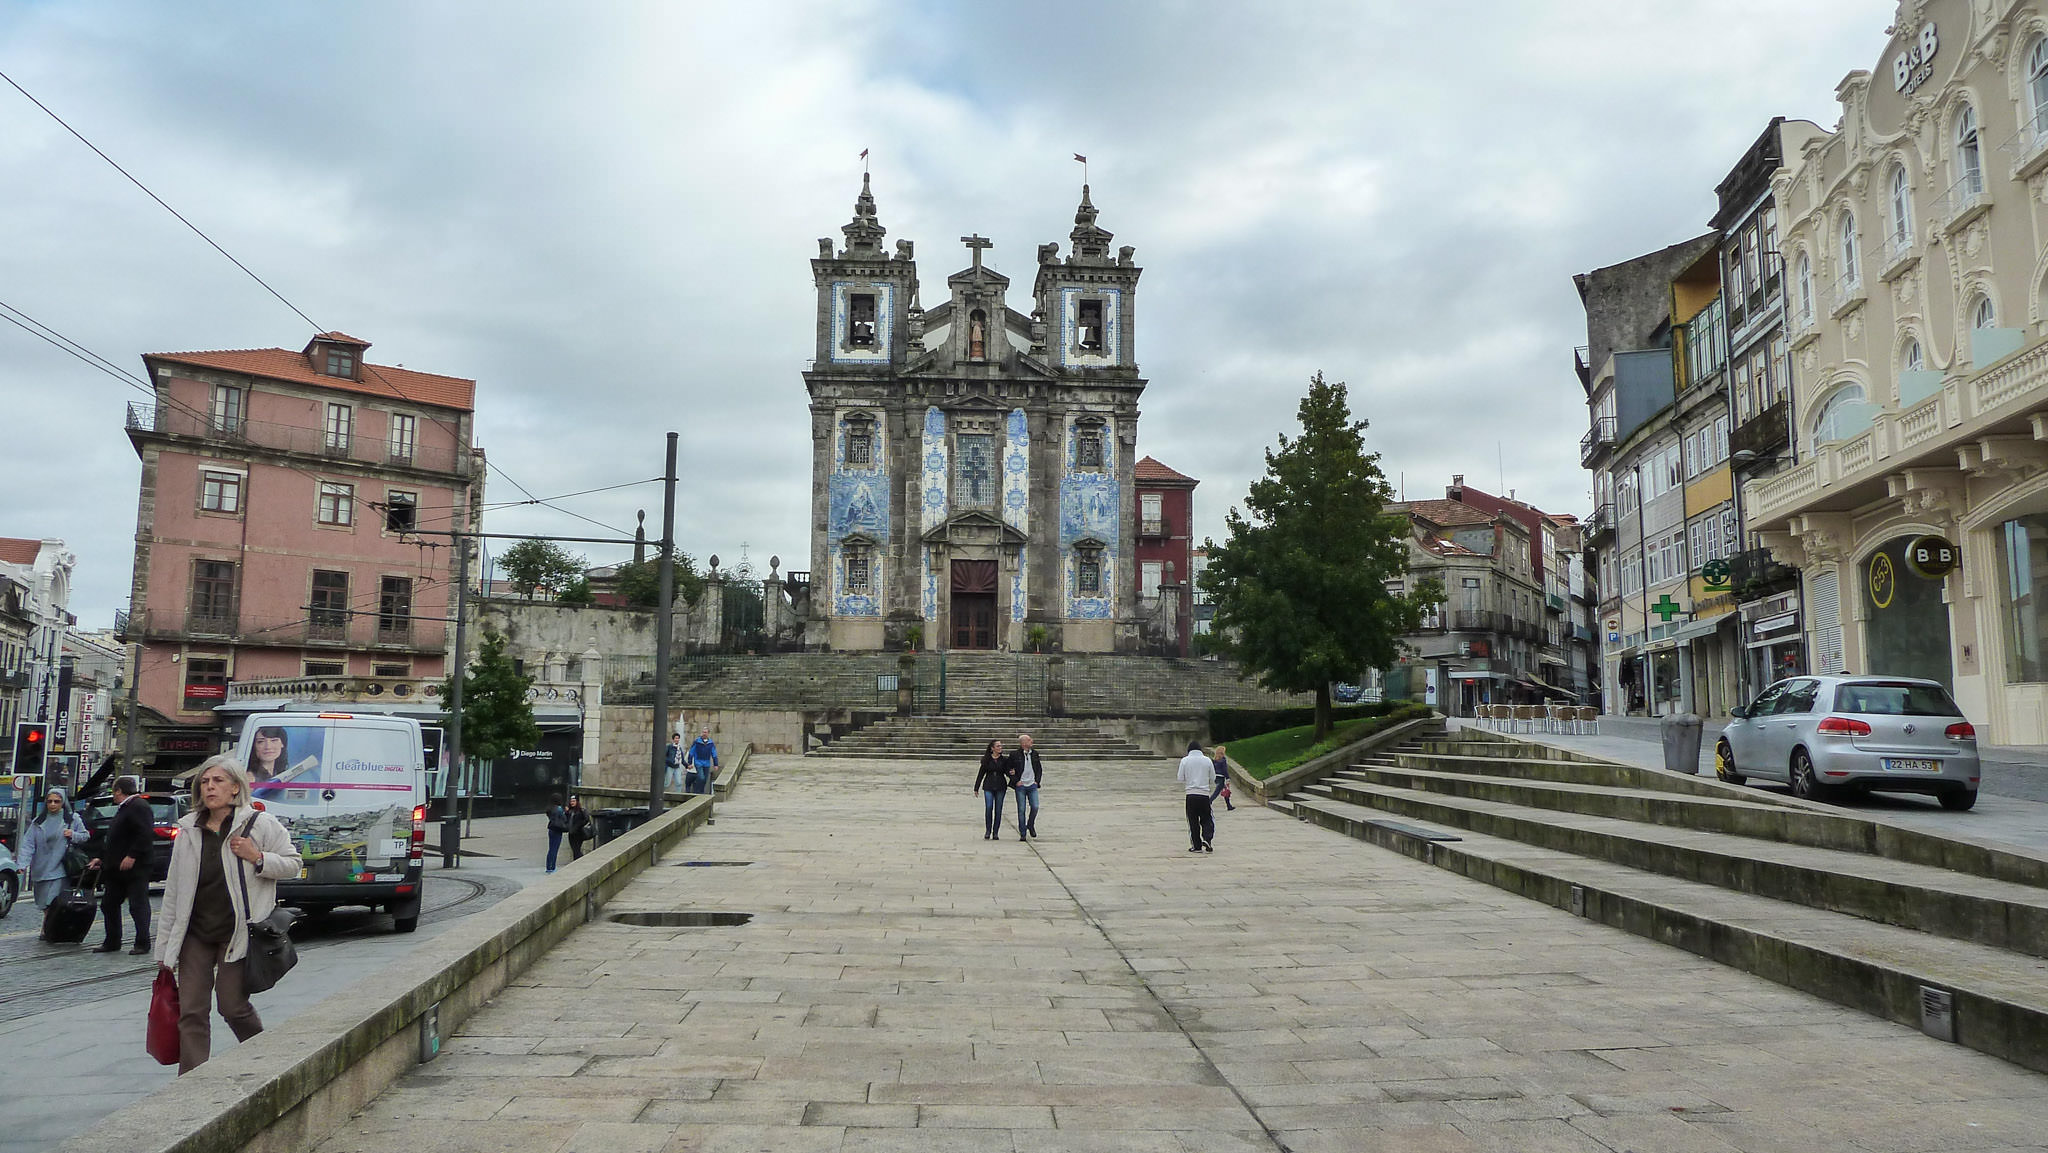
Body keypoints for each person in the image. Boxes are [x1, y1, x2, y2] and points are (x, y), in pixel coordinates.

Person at [154, 755, 301, 1073]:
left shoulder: (259, 824)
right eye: (205, 782)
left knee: (232, 1006)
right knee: (191, 1011)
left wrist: (258, 857)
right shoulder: (189, 829)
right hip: (196, 934)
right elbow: (174, 893)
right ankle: (192, 1080)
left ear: (236, 788)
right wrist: (165, 949)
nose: (210, 787)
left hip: (238, 933)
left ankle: (264, 1060)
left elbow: (293, 863)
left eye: (218, 781)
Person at [87, 776, 155, 954]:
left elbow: (145, 834)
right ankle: (112, 941)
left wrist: (132, 855)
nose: (113, 795)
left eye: (113, 791)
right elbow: (114, 838)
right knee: (109, 904)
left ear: (119, 791)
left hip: (135, 867)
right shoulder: (125, 808)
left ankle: (142, 942)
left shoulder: (138, 806)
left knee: (137, 905)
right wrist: (101, 858)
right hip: (115, 867)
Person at [19, 788, 88, 910]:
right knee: (44, 905)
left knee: (54, 903)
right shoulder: (38, 821)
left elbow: (85, 836)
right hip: (41, 869)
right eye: (49, 801)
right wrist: (22, 864)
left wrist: (73, 834)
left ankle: (48, 928)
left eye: (56, 801)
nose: (52, 804)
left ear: (63, 802)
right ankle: (49, 927)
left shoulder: (72, 819)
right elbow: (28, 844)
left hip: (60, 868)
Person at [1177, 740, 1215, 853]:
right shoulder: (1207, 760)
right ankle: (1207, 838)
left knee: (1193, 821)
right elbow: (1213, 777)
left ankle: (1196, 845)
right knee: (1207, 818)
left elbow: (1180, 777)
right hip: (1204, 794)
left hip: (1191, 794)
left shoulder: (1185, 760)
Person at [1009, 733, 1045, 841]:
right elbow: (1009, 769)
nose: (1032, 741)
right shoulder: (1015, 755)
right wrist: (1016, 781)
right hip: (1021, 785)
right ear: (1023, 743)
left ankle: (1030, 824)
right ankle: (1023, 832)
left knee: (1035, 806)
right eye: (1029, 740)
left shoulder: (1034, 754)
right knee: (1021, 809)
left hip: (1032, 785)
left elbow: (1039, 769)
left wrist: (1037, 781)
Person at [973, 739, 1008, 840]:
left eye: (1001, 746)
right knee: (989, 807)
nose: (1000, 748)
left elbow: (1007, 772)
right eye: (998, 746)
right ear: (992, 748)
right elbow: (981, 774)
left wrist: (1013, 774)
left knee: (998, 809)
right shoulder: (986, 760)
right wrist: (976, 787)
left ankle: (995, 832)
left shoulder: (1004, 760)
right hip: (988, 785)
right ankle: (988, 830)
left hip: (1001, 786)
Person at [686, 729, 720, 796]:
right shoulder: (697, 741)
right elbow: (691, 752)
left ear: (708, 733)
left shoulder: (711, 743)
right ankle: (698, 791)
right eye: (703, 732)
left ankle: (701, 792)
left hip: (707, 763)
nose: (704, 734)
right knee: (701, 777)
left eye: (706, 732)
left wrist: (716, 764)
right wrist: (689, 763)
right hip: (698, 761)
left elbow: (714, 754)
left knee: (705, 779)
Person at [544, 793, 569, 873]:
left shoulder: (550, 808)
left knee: (551, 848)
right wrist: (566, 812)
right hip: (558, 830)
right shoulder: (559, 809)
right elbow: (564, 819)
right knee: (555, 849)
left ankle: (548, 867)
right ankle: (553, 867)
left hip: (551, 829)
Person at [565, 796, 594, 860]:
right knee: (574, 850)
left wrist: (579, 825)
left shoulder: (581, 810)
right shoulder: (569, 811)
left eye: (574, 801)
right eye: (571, 801)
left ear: (577, 802)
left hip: (578, 833)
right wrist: (566, 813)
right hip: (571, 833)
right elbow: (566, 820)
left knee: (577, 850)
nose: (572, 803)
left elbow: (586, 819)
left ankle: (583, 860)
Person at [1211, 745, 1235, 811]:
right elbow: (1225, 770)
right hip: (1221, 777)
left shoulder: (1214, 760)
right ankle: (1209, 802)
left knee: (1225, 791)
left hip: (1216, 777)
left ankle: (1229, 805)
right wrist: (1227, 778)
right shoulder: (1223, 760)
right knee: (1217, 792)